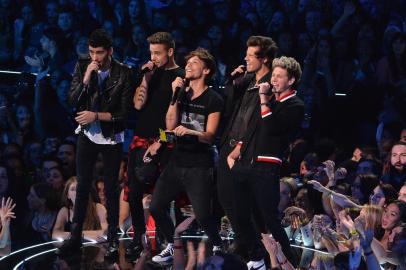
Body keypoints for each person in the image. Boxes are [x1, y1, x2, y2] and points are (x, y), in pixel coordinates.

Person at [57, 28, 132, 258]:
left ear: (110, 51)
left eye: (99, 53)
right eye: (91, 52)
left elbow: (124, 114)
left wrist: (95, 115)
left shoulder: (124, 73)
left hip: (110, 137)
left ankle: (111, 240)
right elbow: (72, 100)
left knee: (110, 188)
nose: (95, 58)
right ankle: (75, 236)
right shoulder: (82, 66)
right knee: (82, 187)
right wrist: (87, 78)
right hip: (87, 134)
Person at [227, 56, 304, 269]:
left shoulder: (295, 105)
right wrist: (236, 151)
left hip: (267, 167)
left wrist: (263, 99)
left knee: (268, 218)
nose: (274, 79)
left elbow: (271, 128)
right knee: (240, 216)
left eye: (280, 76)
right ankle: (258, 256)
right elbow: (253, 129)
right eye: (274, 75)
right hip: (246, 164)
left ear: (291, 80)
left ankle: (290, 262)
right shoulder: (271, 101)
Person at [149, 47, 223, 263]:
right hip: (177, 161)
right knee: (156, 206)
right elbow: (170, 125)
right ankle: (172, 244)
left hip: (200, 164)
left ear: (207, 70)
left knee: (202, 214)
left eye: (194, 63)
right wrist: (174, 97)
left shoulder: (213, 99)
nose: (188, 66)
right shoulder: (180, 93)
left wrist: (191, 131)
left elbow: (209, 136)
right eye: (187, 63)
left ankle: (217, 242)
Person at [125, 31, 184, 257]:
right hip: (141, 136)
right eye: (151, 53)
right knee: (134, 191)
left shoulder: (179, 76)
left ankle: (168, 239)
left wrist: (160, 140)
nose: (154, 57)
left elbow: (175, 120)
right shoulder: (150, 74)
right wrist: (146, 78)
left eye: (158, 53)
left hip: (165, 139)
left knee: (162, 196)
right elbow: (138, 105)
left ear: (170, 51)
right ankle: (139, 237)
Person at [217, 35, 278, 252]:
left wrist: (241, 147)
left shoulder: (271, 84)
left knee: (246, 203)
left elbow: (264, 121)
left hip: (246, 150)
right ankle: (246, 241)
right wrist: (233, 83)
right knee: (225, 196)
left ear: (265, 59)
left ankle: (256, 246)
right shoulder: (247, 80)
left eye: (251, 55)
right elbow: (228, 108)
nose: (245, 59)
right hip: (228, 145)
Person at [52, 177, 107, 242]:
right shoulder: (65, 211)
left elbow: (105, 233)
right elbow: (55, 234)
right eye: (73, 189)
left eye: (79, 188)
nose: (77, 192)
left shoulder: (98, 207)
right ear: (68, 195)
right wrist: (83, 235)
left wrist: (75, 235)